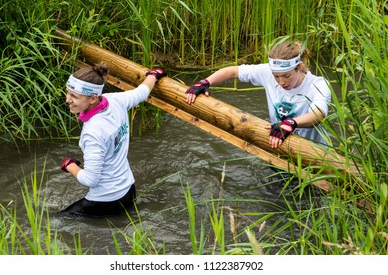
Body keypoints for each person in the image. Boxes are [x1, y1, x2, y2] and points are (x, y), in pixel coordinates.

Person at [60, 63, 167, 217]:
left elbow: (90, 180)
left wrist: (69, 165)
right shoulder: (116, 100)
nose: (67, 100)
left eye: (74, 96)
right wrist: (154, 75)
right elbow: (142, 92)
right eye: (68, 93)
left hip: (105, 201)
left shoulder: (93, 132)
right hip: (129, 190)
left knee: (56, 222)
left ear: (92, 98)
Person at [185, 40, 331, 148]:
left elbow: (319, 114)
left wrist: (292, 123)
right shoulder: (267, 72)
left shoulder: (317, 84)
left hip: (313, 152)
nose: (280, 82)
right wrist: (205, 82)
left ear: (299, 68)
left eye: (286, 76)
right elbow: (233, 71)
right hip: (278, 144)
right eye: (276, 76)